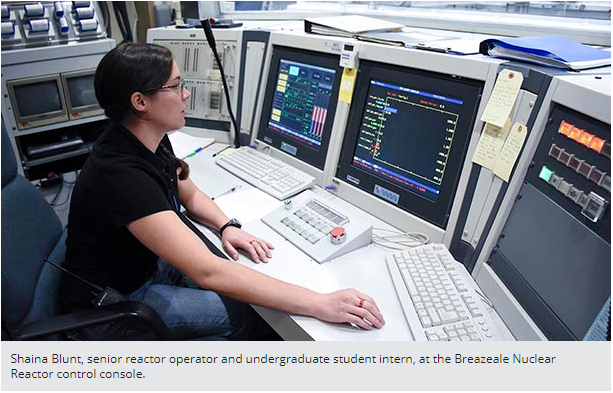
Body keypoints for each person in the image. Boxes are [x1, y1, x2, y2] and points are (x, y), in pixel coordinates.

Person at [60, 42, 385, 340]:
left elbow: (189, 192)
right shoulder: (120, 174)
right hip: (115, 303)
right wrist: (319, 303)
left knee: (243, 282)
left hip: (142, 269)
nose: (186, 94)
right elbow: (208, 271)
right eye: (176, 86)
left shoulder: (145, 136)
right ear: (140, 101)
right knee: (252, 315)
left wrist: (226, 225)